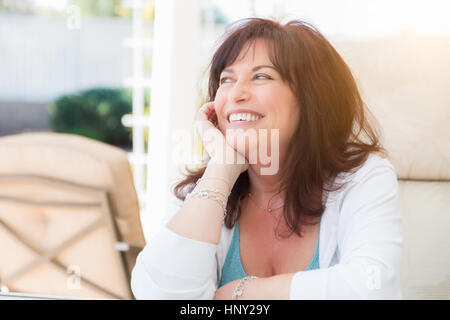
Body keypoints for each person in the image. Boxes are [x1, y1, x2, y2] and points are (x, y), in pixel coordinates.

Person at [131, 18, 403, 300]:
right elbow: (158, 294)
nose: (237, 94)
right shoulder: (206, 190)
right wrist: (222, 168)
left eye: (262, 76)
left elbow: (374, 287)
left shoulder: (362, 176)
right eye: (227, 79)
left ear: (312, 97)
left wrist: (241, 292)